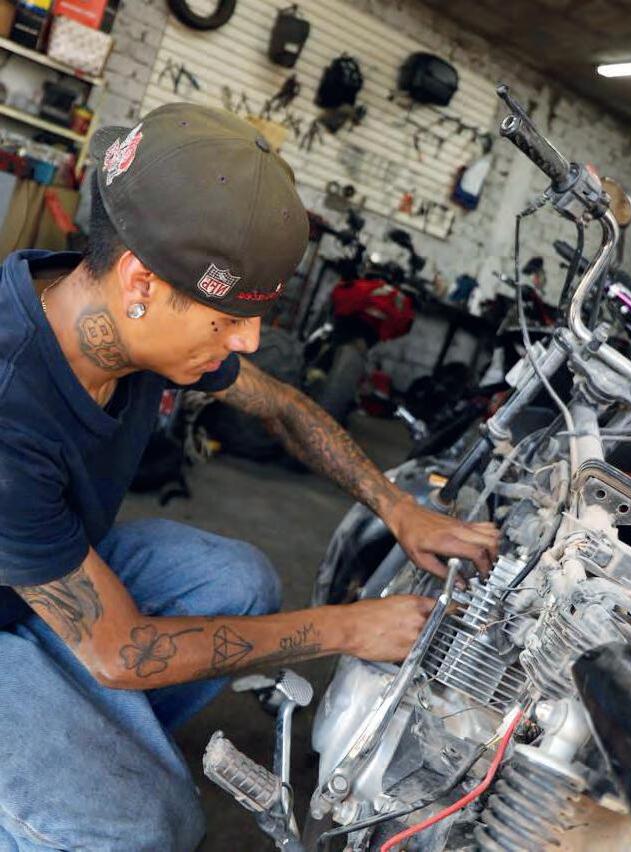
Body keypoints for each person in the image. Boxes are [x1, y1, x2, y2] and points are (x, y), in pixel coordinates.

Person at [0, 103, 498, 850]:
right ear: (140, 281)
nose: (249, 340)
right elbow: (121, 651)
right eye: (228, 318)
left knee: (236, 580)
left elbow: (283, 409)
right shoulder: (10, 405)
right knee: (148, 825)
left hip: (35, 582)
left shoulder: (116, 315)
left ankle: (85, 746)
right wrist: (345, 628)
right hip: (46, 614)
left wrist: (399, 509)